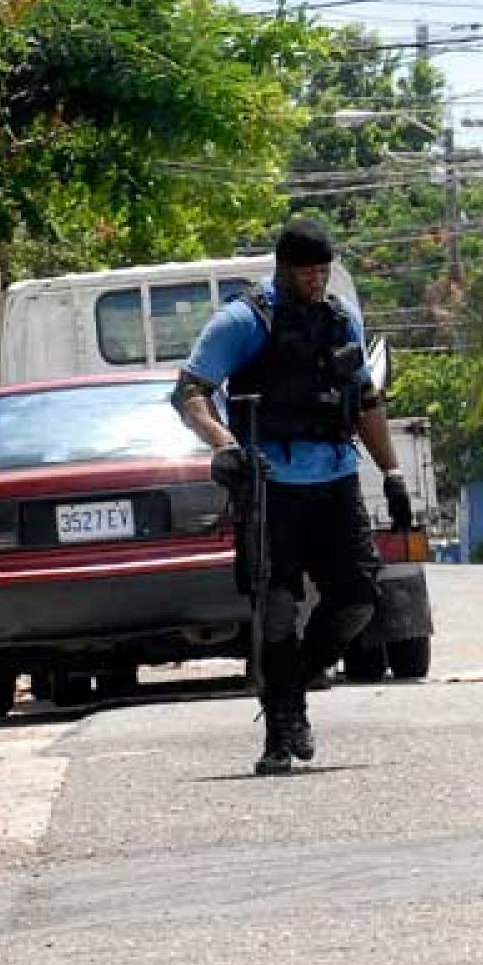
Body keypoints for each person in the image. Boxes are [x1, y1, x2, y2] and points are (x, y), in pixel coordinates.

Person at [172, 218, 412, 776]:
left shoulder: (340, 319)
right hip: (271, 486)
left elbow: (367, 401)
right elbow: (191, 392)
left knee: (358, 600)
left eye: (324, 271)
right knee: (276, 611)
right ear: (284, 269)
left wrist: (393, 474)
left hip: (335, 481)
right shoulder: (244, 320)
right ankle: (282, 728)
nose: (318, 282)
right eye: (309, 272)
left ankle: (286, 697)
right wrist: (225, 444)